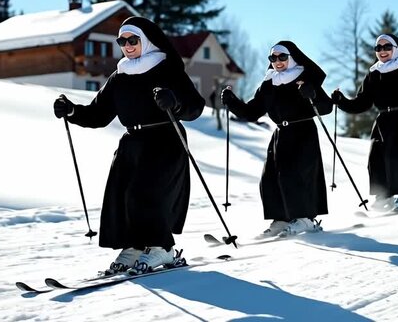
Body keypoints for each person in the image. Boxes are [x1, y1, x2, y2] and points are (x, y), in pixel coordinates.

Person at [53, 16, 205, 275]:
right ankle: (135, 246)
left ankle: (162, 247)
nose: (127, 45)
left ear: (146, 41)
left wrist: (174, 102)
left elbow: (195, 106)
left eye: (132, 40)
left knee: (145, 193)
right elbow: (98, 114)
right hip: (131, 143)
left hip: (165, 140)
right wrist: (71, 111)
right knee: (122, 196)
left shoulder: (166, 68)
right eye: (121, 41)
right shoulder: (120, 75)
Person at [221, 41, 332, 237]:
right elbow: (252, 112)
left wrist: (312, 94)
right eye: (273, 58)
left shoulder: (304, 77)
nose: (278, 62)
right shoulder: (269, 83)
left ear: (292, 58)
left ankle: (305, 219)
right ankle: (281, 219)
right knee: (270, 178)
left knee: (298, 176)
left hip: (303, 132)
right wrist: (232, 101)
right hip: (280, 135)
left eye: (282, 57)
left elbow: (325, 108)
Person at [331, 34, 398, 211]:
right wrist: (341, 101)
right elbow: (361, 103)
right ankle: (383, 194)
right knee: (376, 157)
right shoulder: (374, 74)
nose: (382, 51)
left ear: (395, 49)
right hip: (383, 121)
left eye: (387, 47)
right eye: (378, 48)